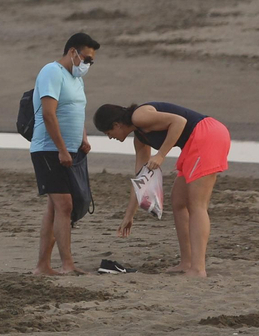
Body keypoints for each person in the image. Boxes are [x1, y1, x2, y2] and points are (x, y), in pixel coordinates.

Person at [94, 100, 230, 277]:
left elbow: (179, 121)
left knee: (197, 204)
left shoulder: (139, 116)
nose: (110, 137)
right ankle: (186, 262)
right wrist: (129, 215)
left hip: (208, 135)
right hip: (193, 142)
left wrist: (160, 155)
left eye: (108, 133)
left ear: (116, 125)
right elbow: (141, 178)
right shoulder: (140, 139)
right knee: (178, 202)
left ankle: (198, 269)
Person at [29, 32, 100, 277]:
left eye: (91, 61)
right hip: (49, 150)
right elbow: (49, 114)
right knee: (65, 205)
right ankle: (67, 264)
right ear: (72, 52)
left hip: (70, 151)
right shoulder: (52, 72)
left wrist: (83, 138)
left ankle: (43, 266)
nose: (88, 64)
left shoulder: (76, 79)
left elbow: (76, 110)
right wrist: (61, 148)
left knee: (55, 208)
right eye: (86, 59)